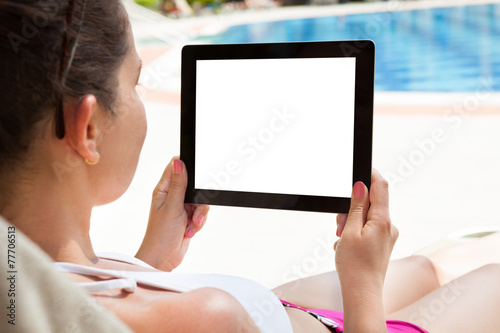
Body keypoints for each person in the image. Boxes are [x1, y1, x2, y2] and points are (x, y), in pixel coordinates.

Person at [1, 0, 500, 332]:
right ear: (87, 128)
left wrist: (152, 261)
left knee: (426, 266)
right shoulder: (206, 318)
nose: (140, 100)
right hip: (340, 320)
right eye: (136, 83)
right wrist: (363, 286)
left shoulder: (29, 276)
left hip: (275, 310)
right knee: (490, 277)